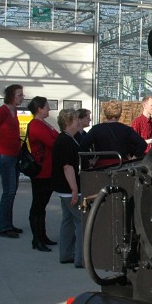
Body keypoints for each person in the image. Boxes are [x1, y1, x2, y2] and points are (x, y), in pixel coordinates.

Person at [0, 84, 24, 238]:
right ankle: (4, 227)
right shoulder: (2, 111)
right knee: (8, 192)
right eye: (19, 95)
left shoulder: (14, 111)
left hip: (14, 156)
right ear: (11, 96)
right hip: (5, 157)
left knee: (12, 191)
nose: (22, 97)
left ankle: (8, 224)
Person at [25, 96, 59, 252]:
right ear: (39, 109)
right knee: (38, 206)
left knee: (41, 206)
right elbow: (53, 142)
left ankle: (42, 236)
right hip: (41, 172)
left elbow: (56, 139)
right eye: (47, 107)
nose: (49, 109)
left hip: (48, 170)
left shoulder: (44, 124)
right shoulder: (36, 125)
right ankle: (36, 238)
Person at [51, 109, 84, 269]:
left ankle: (66, 254)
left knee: (68, 220)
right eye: (76, 119)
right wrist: (74, 189)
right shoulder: (65, 141)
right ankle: (80, 258)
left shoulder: (69, 139)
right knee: (81, 221)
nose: (79, 121)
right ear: (68, 122)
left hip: (63, 188)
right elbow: (67, 167)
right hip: (68, 188)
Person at [82, 100, 148, 170]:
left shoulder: (96, 129)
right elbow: (142, 144)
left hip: (101, 166)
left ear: (105, 112)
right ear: (120, 113)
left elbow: (83, 145)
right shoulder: (126, 129)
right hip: (122, 166)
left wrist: (90, 160)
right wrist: (133, 158)